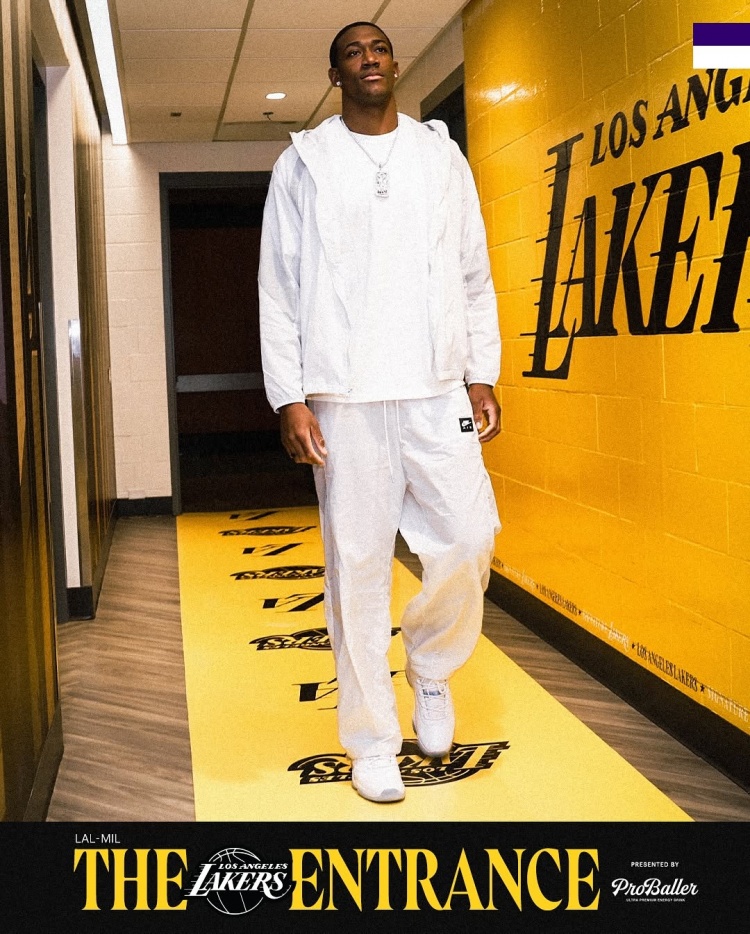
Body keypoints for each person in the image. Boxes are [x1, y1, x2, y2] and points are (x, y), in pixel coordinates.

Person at [259, 21, 501, 803]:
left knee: (470, 536)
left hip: (436, 389)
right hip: (346, 397)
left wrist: (482, 373)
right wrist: (290, 395)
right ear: (336, 75)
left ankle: (430, 668)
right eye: (353, 52)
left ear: (395, 64)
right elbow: (278, 287)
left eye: (379, 47)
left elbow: (473, 271)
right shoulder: (305, 164)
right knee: (356, 567)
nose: (369, 58)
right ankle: (370, 740)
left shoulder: (440, 156)